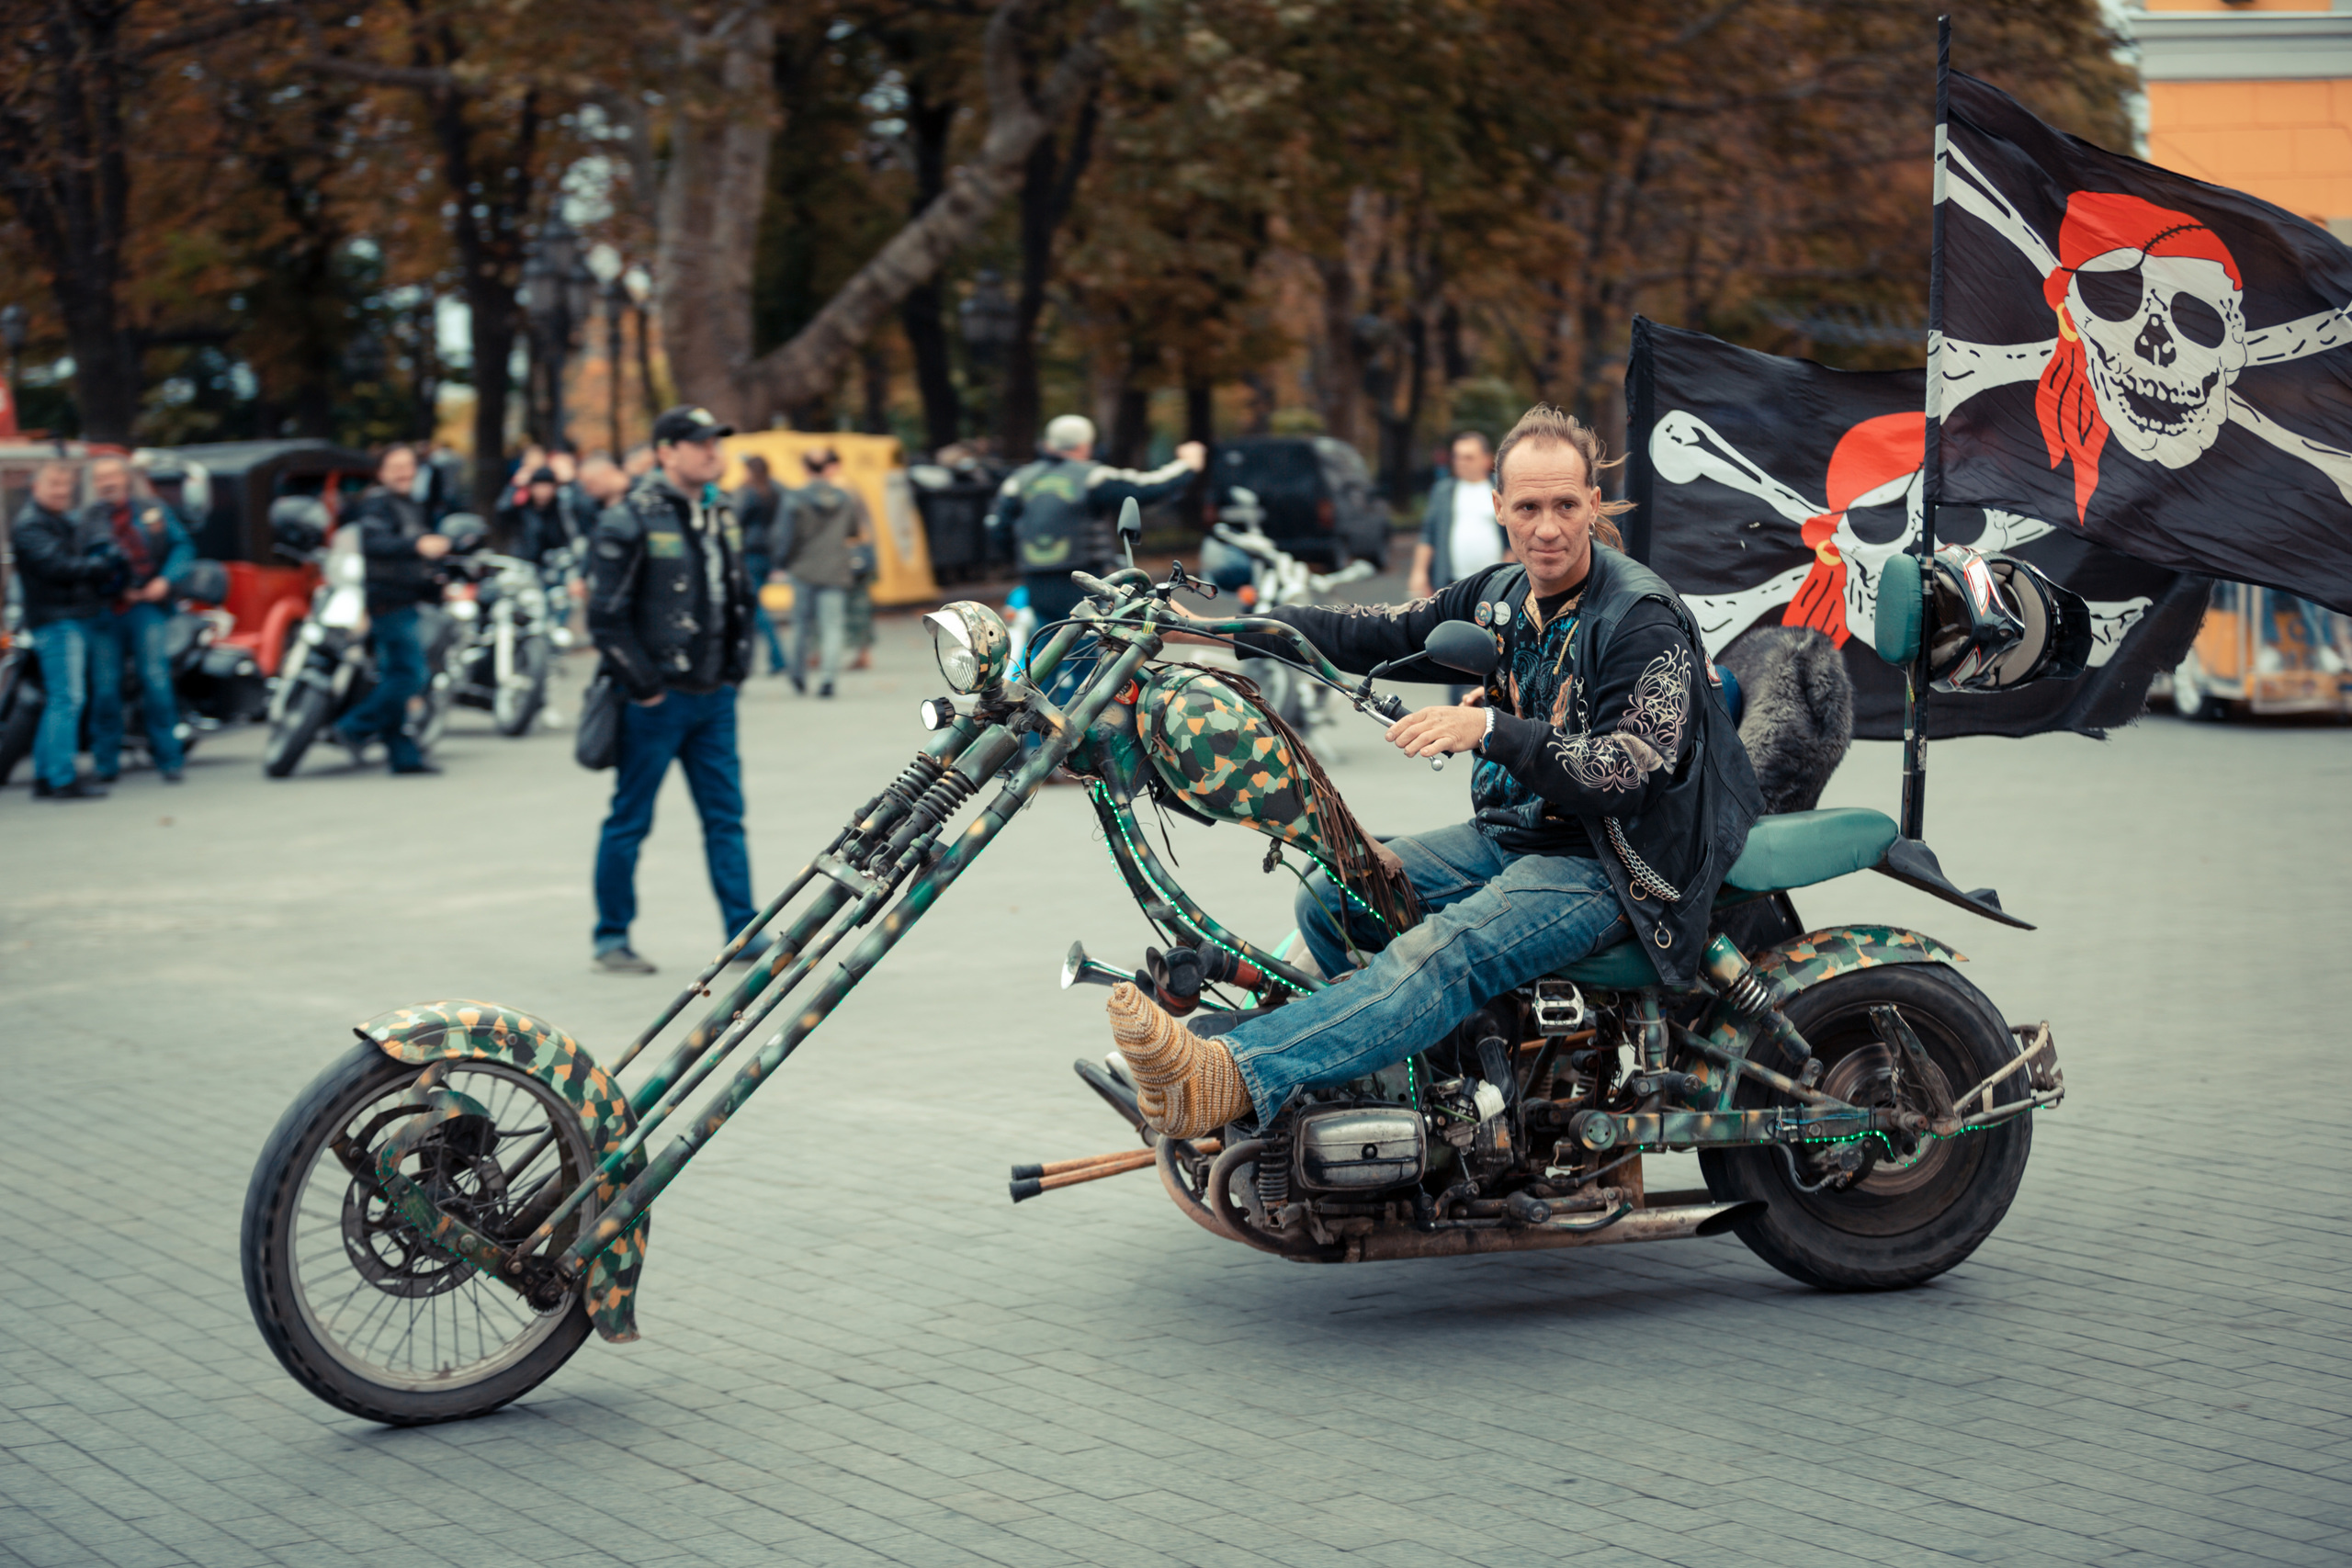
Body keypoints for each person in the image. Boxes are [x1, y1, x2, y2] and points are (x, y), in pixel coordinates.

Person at [1103, 405, 1764, 1138]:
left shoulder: (1639, 615)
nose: (1548, 527)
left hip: (1617, 861)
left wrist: (1489, 726)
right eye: (1530, 507)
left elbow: (1626, 771)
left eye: (1567, 505)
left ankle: (1232, 1070)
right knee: (1333, 894)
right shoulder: (1499, 595)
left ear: (1594, 504)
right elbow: (1378, 630)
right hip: (1520, 834)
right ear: (1499, 508)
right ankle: (1414, 1083)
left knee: (1447, 950)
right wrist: (1221, 629)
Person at [584, 404, 762, 975]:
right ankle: (610, 938)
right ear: (667, 452)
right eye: (700, 442)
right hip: (654, 702)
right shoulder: (629, 517)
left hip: (716, 698)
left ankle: (744, 933)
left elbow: (738, 593)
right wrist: (647, 689)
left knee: (726, 818)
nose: (714, 451)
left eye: (717, 441)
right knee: (630, 819)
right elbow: (604, 618)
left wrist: (736, 671)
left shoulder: (722, 511)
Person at [987, 415, 1206, 632]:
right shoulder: (1093, 477)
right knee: (1087, 647)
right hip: (1085, 578)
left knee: (1045, 646)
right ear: (1085, 445)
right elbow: (1147, 488)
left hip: (1036, 578)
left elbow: (997, 527)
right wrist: (1188, 464)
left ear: (1048, 444)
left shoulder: (1019, 480)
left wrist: (1017, 559)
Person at [333, 446, 450, 775]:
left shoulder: (411, 505)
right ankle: (354, 726)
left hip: (407, 600)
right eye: (396, 467)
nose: (404, 473)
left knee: (395, 675)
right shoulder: (376, 503)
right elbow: (374, 543)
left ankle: (404, 757)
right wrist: (417, 545)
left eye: (408, 466)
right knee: (409, 675)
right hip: (388, 602)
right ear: (381, 472)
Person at [13, 461, 120, 799]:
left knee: (60, 700)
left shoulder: (55, 520)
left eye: (66, 485)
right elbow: (56, 566)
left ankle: (47, 775)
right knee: (67, 699)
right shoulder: (31, 525)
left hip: (64, 617)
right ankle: (61, 778)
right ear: (36, 488)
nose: (61, 492)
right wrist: (98, 567)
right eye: (54, 485)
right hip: (56, 620)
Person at [84, 456, 194, 784]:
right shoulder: (86, 518)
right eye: (101, 478)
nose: (108, 483)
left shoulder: (152, 510)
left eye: (113, 476)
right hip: (105, 612)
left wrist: (166, 581)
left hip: (147, 608)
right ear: (94, 484)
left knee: (156, 680)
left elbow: (182, 546)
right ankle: (105, 764)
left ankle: (170, 759)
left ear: (125, 478)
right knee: (105, 689)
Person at [776, 446, 872, 698]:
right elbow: (853, 531)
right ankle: (828, 679)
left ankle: (797, 675)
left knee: (801, 626)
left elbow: (785, 537)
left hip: (803, 569)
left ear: (806, 468)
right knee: (833, 626)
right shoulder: (844, 497)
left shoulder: (794, 498)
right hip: (836, 570)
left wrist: (781, 563)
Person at [1408, 429, 1507, 600]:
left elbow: (1512, 536)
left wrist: (1507, 574)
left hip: (1494, 585)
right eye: (1457, 456)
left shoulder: (1501, 490)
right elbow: (1428, 535)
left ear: (1486, 459)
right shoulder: (1443, 491)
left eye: (1468, 457)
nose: (1461, 462)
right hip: (1451, 584)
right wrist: (1419, 573)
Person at [731, 454, 789, 677]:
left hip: (750, 552)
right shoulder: (776, 490)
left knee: (756, 610)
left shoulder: (748, 492)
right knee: (753, 607)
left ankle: (777, 657)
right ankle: (756, 659)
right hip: (769, 553)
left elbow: (736, 520)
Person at [497, 466, 575, 567]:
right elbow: (501, 511)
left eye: (547, 486)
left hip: (554, 565)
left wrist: (572, 482)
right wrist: (514, 486)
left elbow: (584, 508)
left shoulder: (561, 508)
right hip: (523, 563)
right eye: (539, 486)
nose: (543, 491)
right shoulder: (523, 508)